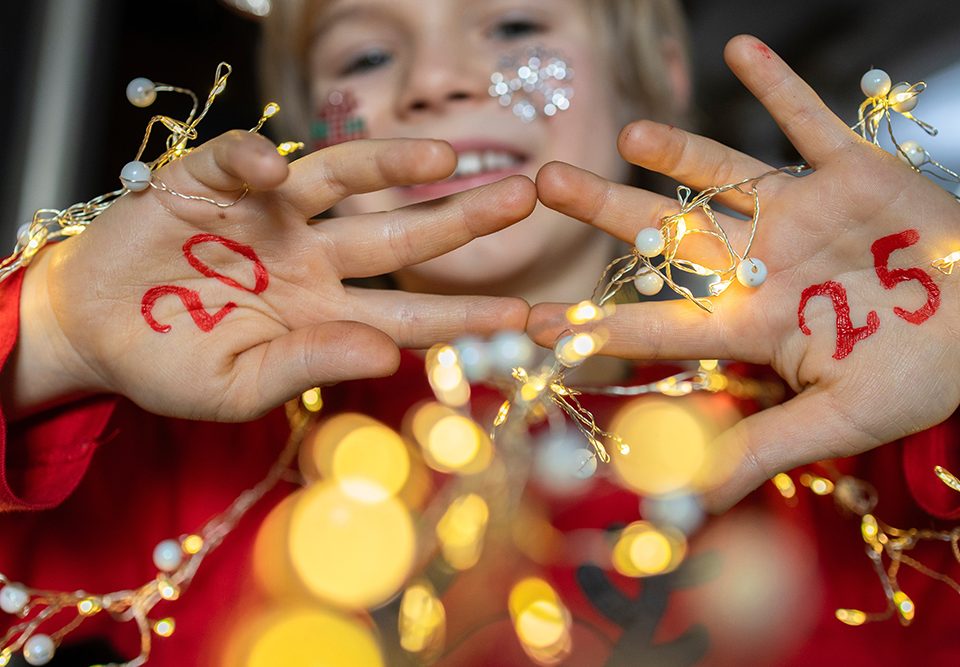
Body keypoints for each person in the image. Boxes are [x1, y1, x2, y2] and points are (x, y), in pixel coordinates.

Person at [1, 0, 959, 663]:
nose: (437, 81)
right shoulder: (199, 451)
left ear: (653, 74)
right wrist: (49, 336)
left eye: (513, 25)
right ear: (312, 127)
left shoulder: (879, 448)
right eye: (367, 56)